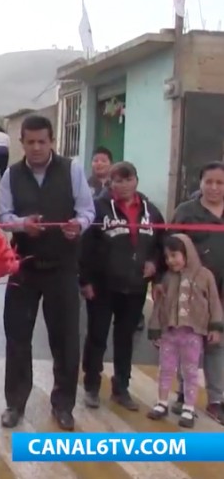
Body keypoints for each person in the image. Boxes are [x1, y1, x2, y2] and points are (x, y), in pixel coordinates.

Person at [0, 115, 95, 431]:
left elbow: (87, 210)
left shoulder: (72, 170)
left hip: (62, 266)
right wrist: (21, 224)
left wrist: (78, 225)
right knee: (17, 337)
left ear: (52, 141)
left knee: (65, 339)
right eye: (30, 142)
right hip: (23, 266)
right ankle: (15, 404)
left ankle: (63, 405)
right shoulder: (11, 175)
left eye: (42, 141)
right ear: (22, 143)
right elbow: (3, 216)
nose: (37, 147)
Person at [79, 162, 165, 411]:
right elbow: (84, 247)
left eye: (129, 180)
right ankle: (91, 386)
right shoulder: (97, 209)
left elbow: (162, 243)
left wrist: (154, 264)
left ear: (136, 180)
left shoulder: (151, 211)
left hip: (135, 287)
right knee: (97, 336)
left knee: (126, 338)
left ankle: (121, 388)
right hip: (102, 286)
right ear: (110, 183)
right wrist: (84, 280)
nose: (124, 185)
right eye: (118, 181)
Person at [147, 234, 223, 428]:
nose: (170, 261)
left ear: (187, 253)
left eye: (174, 255)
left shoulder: (205, 276)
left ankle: (189, 407)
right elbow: (160, 305)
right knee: (166, 369)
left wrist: (215, 328)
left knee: (190, 371)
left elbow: (214, 303)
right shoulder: (168, 278)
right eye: (167, 257)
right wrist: (155, 329)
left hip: (193, 335)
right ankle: (162, 402)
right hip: (169, 334)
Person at [169, 161, 224, 425]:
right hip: (191, 291)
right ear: (200, 183)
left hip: (221, 292)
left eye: (220, 183)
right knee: (188, 343)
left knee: (217, 344)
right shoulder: (186, 212)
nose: (214, 187)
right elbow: (170, 246)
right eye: (208, 182)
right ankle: (184, 393)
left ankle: (216, 400)